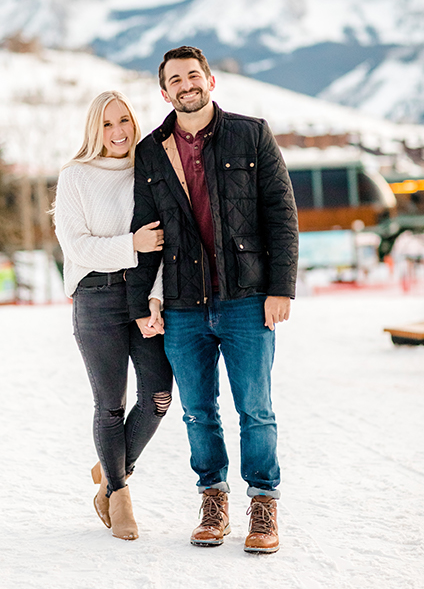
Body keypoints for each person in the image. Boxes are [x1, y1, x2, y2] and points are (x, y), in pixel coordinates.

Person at [127, 46, 298, 554]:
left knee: (256, 408)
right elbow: (143, 230)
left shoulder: (252, 134)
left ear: (211, 80)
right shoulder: (151, 151)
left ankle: (263, 502)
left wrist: (281, 288)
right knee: (198, 411)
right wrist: (143, 302)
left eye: (192, 75)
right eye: (174, 79)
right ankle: (213, 499)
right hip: (182, 305)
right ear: (164, 92)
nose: (185, 84)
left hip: (246, 298)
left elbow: (282, 217)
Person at [54, 90, 173, 541]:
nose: (118, 131)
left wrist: (153, 302)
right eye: (107, 124)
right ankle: (119, 493)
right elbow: (77, 245)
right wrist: (130, 246)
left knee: (159, 396)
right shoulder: (75, 176)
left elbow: (164, 248)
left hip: (141, 295)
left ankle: (109, 470)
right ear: (94, 129)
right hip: (96, 296)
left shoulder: (149, 171)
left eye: (124, 120)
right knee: (110, 403)